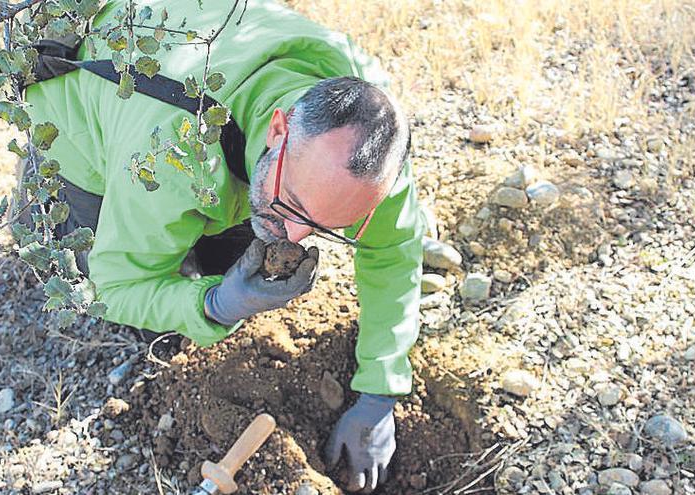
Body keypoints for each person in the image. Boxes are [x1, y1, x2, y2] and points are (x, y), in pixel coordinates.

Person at [23, 0, 425, 492]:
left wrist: (379, 391)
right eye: (295, 205)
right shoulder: (168, 151)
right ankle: (40, 195)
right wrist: (212, 304)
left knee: (246, 237)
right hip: (85, 120)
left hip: (212, 121)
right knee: (139, 314)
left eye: (325, 225)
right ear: (279, 130)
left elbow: (394, 251)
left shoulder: (366, 144)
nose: (298, 238)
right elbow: (117, 285)